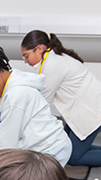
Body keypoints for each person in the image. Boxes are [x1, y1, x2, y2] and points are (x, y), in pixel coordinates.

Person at [0, 42, 72, 167]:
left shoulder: (17, 95)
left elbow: (8, 143)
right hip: (41, 147)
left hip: (51, 149)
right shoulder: (4, 91)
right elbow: (1, 131)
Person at [21, 30, 101, 168]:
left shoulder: (53, 64)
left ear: (39, 48)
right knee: (67, 146)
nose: (26, 61)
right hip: (80, 109)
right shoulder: (52, 60)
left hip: (90, 110)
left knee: (74, 157)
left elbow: (43, 101)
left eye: (26, 56)